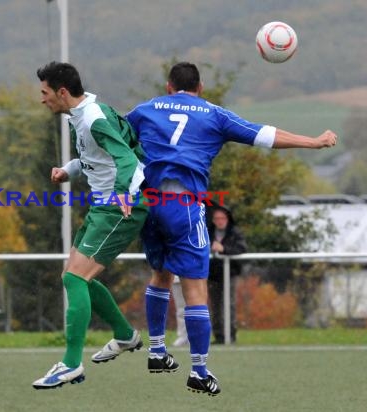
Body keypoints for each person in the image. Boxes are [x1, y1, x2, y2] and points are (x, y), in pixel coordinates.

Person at [126, 61, 337, 396]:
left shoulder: (144, 110)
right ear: (201, 86)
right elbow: (265, 135)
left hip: (148, 203)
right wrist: (313, 141)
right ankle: (198, 371)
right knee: (196, 290)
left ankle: (156, 350)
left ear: (168, 86)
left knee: (160, 275)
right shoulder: (213, 114)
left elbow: (113, 141)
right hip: (184, 206)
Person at [32, 61, 148, 389]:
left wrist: (124, 192)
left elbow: (125, 157)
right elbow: (95, 158)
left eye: (45, 92)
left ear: (62, 92)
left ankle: (70, 364)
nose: (42, 99)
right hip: (104, 205)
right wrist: (69, 169)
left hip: (120, 206)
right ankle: (125, 335)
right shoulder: (82, 115)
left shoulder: (93, 117)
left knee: (74, 278)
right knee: (77, 277)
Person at [207, 205, 247, 344]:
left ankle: (231, 335)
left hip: (230, 273)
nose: (220, 221)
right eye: (217, 218)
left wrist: (224, 249)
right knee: (215, 305)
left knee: (229, 304)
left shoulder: (235, 233)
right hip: (213, 274)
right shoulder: (208, 232)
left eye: (222, 218)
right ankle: (219, 335)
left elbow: (241, 248)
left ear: (228, 218)